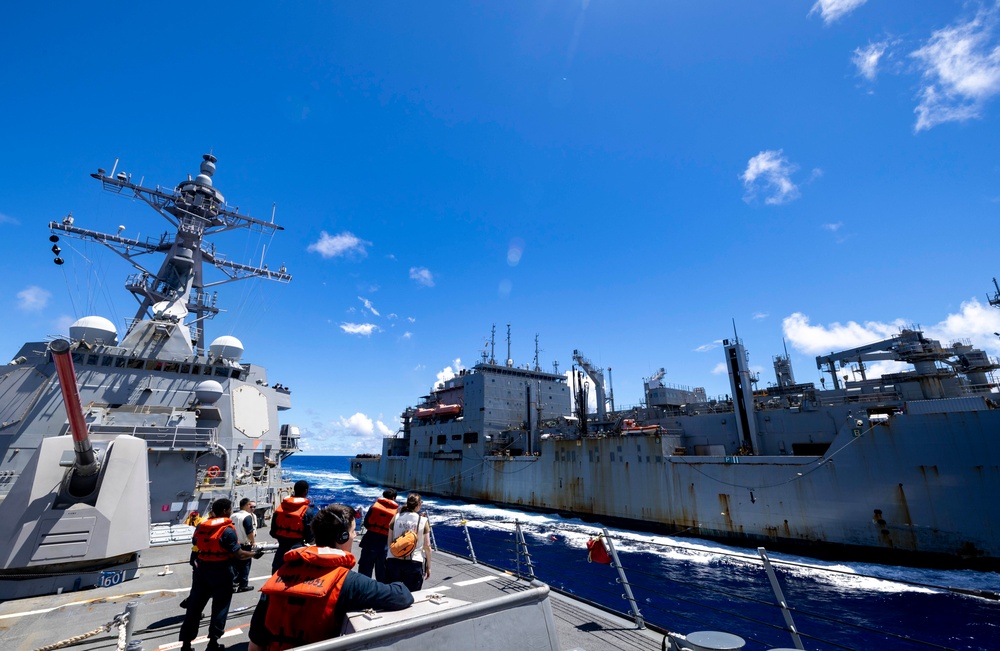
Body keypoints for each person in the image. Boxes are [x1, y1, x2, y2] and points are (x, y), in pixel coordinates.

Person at [247, 504, 413, 651]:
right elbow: (402, 595)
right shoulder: (350, 582)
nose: (354, 536)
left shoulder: (280, 575)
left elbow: (256, 643)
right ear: (342, 537)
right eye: (353, 531)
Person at [179, 498, 260, 651]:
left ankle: (186, 644)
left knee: (194, 608)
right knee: (220, 608)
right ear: (224, 511)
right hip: (222, 571)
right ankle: (213, 643)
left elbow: (196, 542)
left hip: (201, 571)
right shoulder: (227, 530)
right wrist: (254, 554)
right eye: (230, 509)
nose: (231, 511)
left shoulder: (201, 526)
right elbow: (239, 554)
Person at [383, 493, 432, 592]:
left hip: (394, 560)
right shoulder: (423, 520)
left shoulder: (395, 518)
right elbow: (427, 546)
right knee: (413, 594)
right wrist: (428, 567)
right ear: (418, 504)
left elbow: (389, 543)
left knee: (392, 592)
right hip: (414, 561)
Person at [269, 479, 318, 572]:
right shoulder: (307, 511)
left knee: (277, 570)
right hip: (297, 546)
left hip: (282, 546)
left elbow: (273, 531)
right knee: (296, 573)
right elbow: (309, 535)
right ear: (306, 491)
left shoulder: (281, 507)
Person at [357, 489, 399, 581]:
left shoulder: (374, 507)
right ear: (393, 498)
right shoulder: (397, 512)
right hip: (384, 545)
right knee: (382, 574)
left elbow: (367, 523)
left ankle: (362, 592)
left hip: (369, 542)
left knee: (364, 572)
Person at [231, 498, 257, 592]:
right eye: (250, 505)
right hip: (245, 544)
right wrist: (253, 542)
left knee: (234, 565)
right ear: (246, 505)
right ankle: (243, 585)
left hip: (234, 544)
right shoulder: (247, 516)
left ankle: (233, 584)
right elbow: (249, 531)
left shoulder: (233, 515)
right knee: (245, 565)